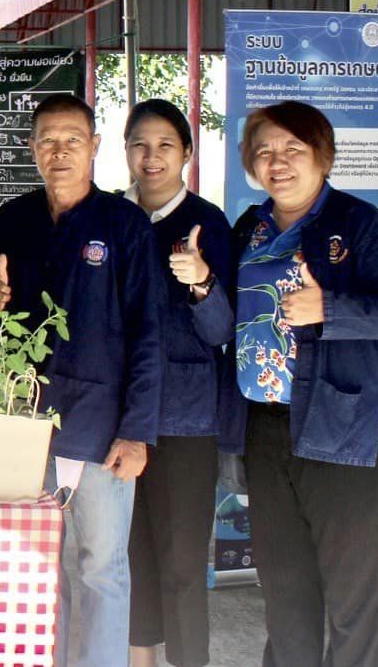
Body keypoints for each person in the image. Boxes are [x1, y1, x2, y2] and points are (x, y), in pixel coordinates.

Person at [188, 101, 378, 666]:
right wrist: (201, 286)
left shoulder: (359, 223)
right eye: (264, 150)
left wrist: (328, 308)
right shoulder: (250, 229)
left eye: (293, 148)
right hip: (266, 430)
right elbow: (225, 330)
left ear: (322, 156)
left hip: (346, 433)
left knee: (352, 599)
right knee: (286, 593)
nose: (278, 161)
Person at [0, 93, 164, 667]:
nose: (60, 152)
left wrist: (137, 432)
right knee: (35, 563)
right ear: (33, 149)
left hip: (103, 426)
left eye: (72, 140)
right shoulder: (15, 219)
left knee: (102, 568)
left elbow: (148, 331)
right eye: (48, 141)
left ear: (95, 148)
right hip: (24, 422)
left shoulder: (125, 225)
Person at [119, 100, 233, 667]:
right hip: (118, 418)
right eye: (140, 144)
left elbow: (223, 332)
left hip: (186, 418)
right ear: (125, 152)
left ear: (187, 153)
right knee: (130, 552)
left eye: (165, 145)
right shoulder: (110, 219)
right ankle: (140, 659)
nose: (152, 156)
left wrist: (202, 282)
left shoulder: (209, 224)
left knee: (184, 561)